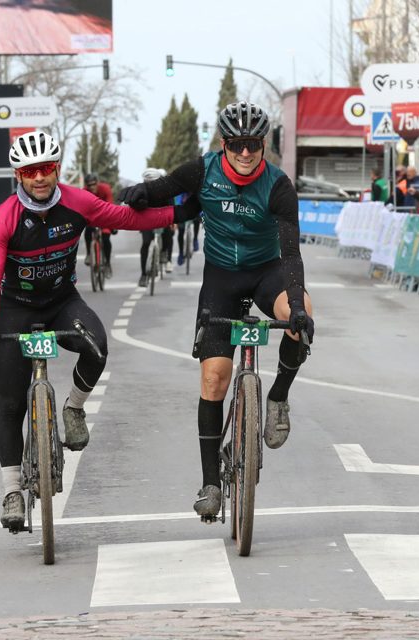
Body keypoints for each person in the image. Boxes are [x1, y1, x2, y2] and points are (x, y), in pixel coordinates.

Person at [0, 131, 195, 531]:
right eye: (31, 171)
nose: (40, 178)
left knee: (98, 345)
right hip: (13, 308)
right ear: (18, 175)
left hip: (61, 301)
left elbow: (125, 218)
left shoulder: (77, 202)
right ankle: (11, 491)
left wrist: (179, 214)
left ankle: (73, 408)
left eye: (48, 169)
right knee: (11, 405)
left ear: (58, 168)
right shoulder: (3, 219)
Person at [118, 101, 313, 520]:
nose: (246, 153)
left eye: (254, 144)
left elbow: (292, 253)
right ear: (224, 143)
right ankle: (210, 483)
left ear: (264, 145)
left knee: (303, 316)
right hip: (222, 278)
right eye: (237, 144)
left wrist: (295, 307)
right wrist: (137, 195)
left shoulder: (279, 186)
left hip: (267, 272)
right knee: (214, 378)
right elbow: (166, 189)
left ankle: (278, 399)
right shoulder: (203, 170)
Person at [137, 167, 176, 286]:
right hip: (146, 219)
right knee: (145, 243)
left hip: (161, 217)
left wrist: (172, 222)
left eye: (153, 183)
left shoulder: (167, 190)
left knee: (169, 232)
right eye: (147, 183)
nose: (150, 186)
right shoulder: (140, 190)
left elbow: (172, 207)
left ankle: (164, 252)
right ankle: (143, 274)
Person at [82, 173, 115, 271]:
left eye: (94, 184)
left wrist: (112, 224)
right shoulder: (84, 191)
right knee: (87, 230)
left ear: (98, 183)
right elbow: (82, 208)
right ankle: (88, 253)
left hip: (105, 216)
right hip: (92, 217)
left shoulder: (105, 189)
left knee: (105, 237)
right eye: (89, 185)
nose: (92, 187)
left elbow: (110, 205)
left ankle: (108, 263)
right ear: (86, 185)